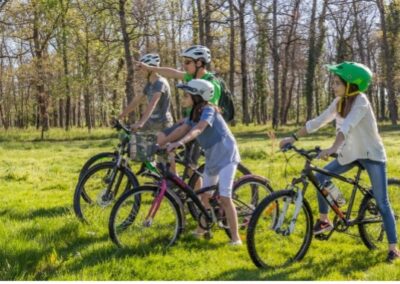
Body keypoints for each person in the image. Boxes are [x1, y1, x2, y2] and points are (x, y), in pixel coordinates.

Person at [279, 61, 399, 262]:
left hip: (372, 155)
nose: (333, 86)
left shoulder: (361, 101)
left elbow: (347, 127)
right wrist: (293, 137)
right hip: (351, 153)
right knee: (320, 176)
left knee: (382, 202)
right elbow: (318, 121)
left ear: (350, 85)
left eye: (337, 83)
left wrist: (333, 148)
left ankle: (393, 248)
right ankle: (326, 220)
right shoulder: (339, 102)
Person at [163, 79, 242, 246]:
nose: (184, 97)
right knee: (205, 196)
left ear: (198, 96)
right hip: (212, 158)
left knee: (226, 197)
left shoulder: (208, 110)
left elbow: (199, 129)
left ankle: (236, 239)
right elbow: (182, 129)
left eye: (187, 94)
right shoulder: (194, 112)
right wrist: (163, 143)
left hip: (227, 155)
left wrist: (181, 142)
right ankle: (202, 229)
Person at [137, 45, 221, 168]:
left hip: (200, 127)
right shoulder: (191, 77)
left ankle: (191, 184)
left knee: (191, 167)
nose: (184, 65)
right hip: (189, 122)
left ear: (199, 63)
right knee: (161, 138)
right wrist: (150, 68)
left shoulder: (211, 83)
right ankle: (171, 178)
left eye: (187, 62)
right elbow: (173, 73)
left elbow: (206, 109)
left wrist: (188, 119)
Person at [118, 53, 173, 133]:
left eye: (142, 68)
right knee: (133, 136)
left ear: (150, 68)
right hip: (152, 121)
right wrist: (121, 116)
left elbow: (153, 103)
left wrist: (141, 122)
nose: (140, 71)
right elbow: (136, 100)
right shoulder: (149, 84)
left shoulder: (160, 83)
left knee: (157, 145)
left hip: (163, 123)